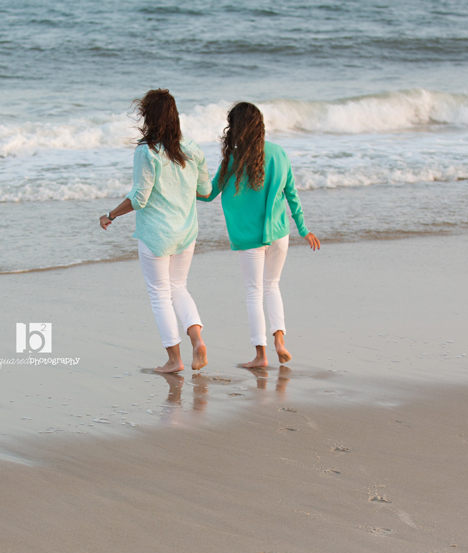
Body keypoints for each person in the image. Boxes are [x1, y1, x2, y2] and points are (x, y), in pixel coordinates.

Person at [199, 102, 321, 368]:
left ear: (235, 129)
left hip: (249, 237)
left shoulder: (233, 160)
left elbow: (208, 194)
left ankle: (260, 356)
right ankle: (280, 341)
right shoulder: (279, 153)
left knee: (254, 292)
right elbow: (292, 194)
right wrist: (303, 229)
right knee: (272, 286)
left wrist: (184, 184)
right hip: (279, 234)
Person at [99, 89, 211, 374]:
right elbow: (205, 190)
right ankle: (197, 340)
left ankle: (174, 360)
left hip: (156, 236)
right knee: (179, 288)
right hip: (186, 232)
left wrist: (111, 214)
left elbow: (139, 199)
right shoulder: (192, 148)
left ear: (149, 117)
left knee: (160, 295)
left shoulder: (147, 151)